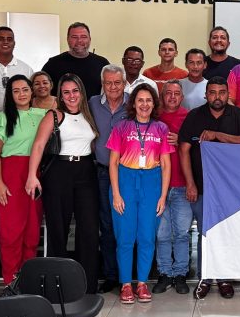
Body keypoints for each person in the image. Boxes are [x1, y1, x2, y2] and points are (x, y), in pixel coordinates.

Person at [25, 74, 101, 294]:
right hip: (60, 172)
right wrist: (32, 175)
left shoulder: (88, 115)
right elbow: (39, 145)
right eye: (66, 92)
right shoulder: (54, 115)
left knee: (89, 229)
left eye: (75, 91)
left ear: (81, 92)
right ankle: (56, 284)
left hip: (86, 171)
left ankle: (87, 284)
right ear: (60, 94)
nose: (71, 96)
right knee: (58, 228)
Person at [179, 77, 240, 299]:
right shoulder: (195, 116)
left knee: (227, 232)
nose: (217, 97)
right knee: (205, 233)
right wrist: (190, 183)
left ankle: (224, 278)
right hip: (202, 186)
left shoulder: (238, 115)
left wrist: (217, 135)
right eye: (212, 92)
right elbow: (183, 150)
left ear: (228, 94)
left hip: (231, 188)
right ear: (206, 94)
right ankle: (205, 276)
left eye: (222, 92)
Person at [107, 84, 173, 304]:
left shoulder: (161, 128)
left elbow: (166, 165)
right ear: (133, 104)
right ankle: (126, 284)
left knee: (146, 236)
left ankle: (142, 282)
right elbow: (113, 162)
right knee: (125, 237)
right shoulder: (122, 127)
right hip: (125, 181)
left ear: (154, 104)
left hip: (151, 183)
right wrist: (116, 194)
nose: (144, 104)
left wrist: (162, 196)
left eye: (148, 100)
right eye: (140, 100)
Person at [0, 75, 46, 284]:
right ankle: (10, 282)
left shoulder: (43, 115)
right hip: (10, 175)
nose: (21, 94)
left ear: (32, 91)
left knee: (32, 231)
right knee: (11, 231)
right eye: (16, 91)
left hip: (36, 175)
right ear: (10, 95)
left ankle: (27, 280)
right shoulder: (3, 118)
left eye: (25, 89)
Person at [89, 65, 130, 293]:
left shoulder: (133, 103)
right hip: (103, 172)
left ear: (124, 83)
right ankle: (111, 275)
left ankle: (129, 275)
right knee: (107, 224)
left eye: (117, 82)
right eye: (108, 83)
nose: (113, 87)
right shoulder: (93, 103)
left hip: (130, 172)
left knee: (128, 224)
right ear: (102, 84)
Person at [153, 80, 193, 295]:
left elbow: (198, 147)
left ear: (182, 97)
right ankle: (164, 273)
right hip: (157, 186)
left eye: (176, 94)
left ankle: (180, 274)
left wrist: (182, 140)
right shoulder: (153, 116)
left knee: (182, 234)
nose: (172, 97)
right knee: (162, 234)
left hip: (181, 185)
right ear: (162, 96)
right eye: (168, 93)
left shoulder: (189, 117)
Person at [41, 22, 110, 98]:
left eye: (83, 37)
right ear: (68, 39)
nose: (79, 40)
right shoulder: (53, 64)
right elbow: (40, 92)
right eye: (74, 37)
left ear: (90, 39)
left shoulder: (102, 64)